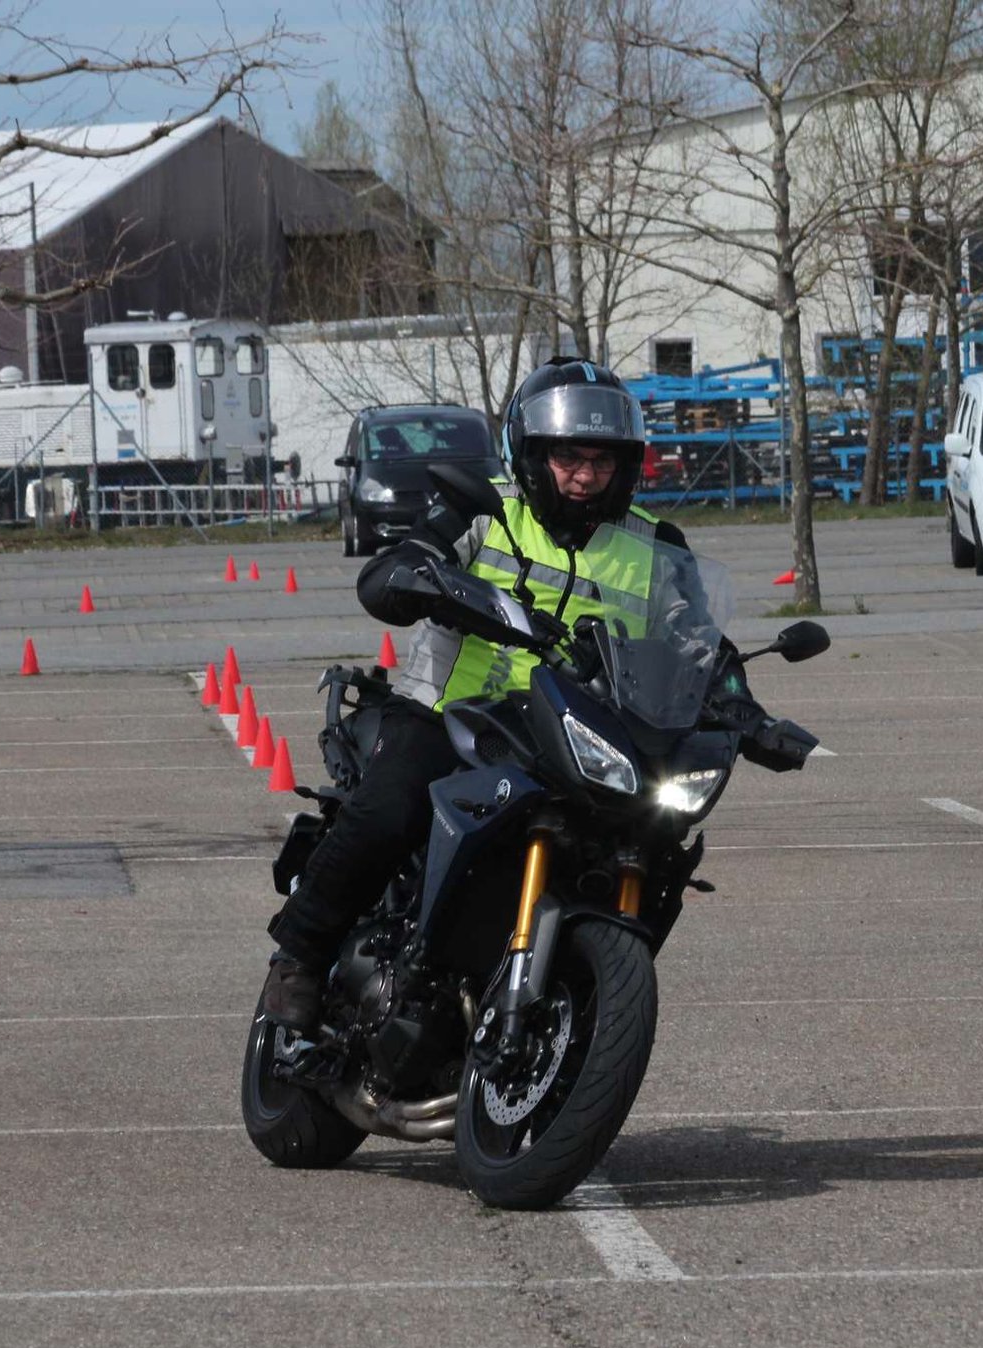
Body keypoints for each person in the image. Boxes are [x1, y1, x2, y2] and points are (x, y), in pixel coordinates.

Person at [262, 358, 711, 1029]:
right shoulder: (482, 509)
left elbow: (696, 643)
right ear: (532, 454)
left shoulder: (656, 546)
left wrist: (740, 704)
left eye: (602, 460)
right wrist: (415, 578)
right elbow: (395, 569)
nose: (585, 475)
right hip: (449, 716)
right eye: (568, 457)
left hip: (574, 737)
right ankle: (299, 954)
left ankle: (580, 994)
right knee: (391, 810)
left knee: (658, 837)